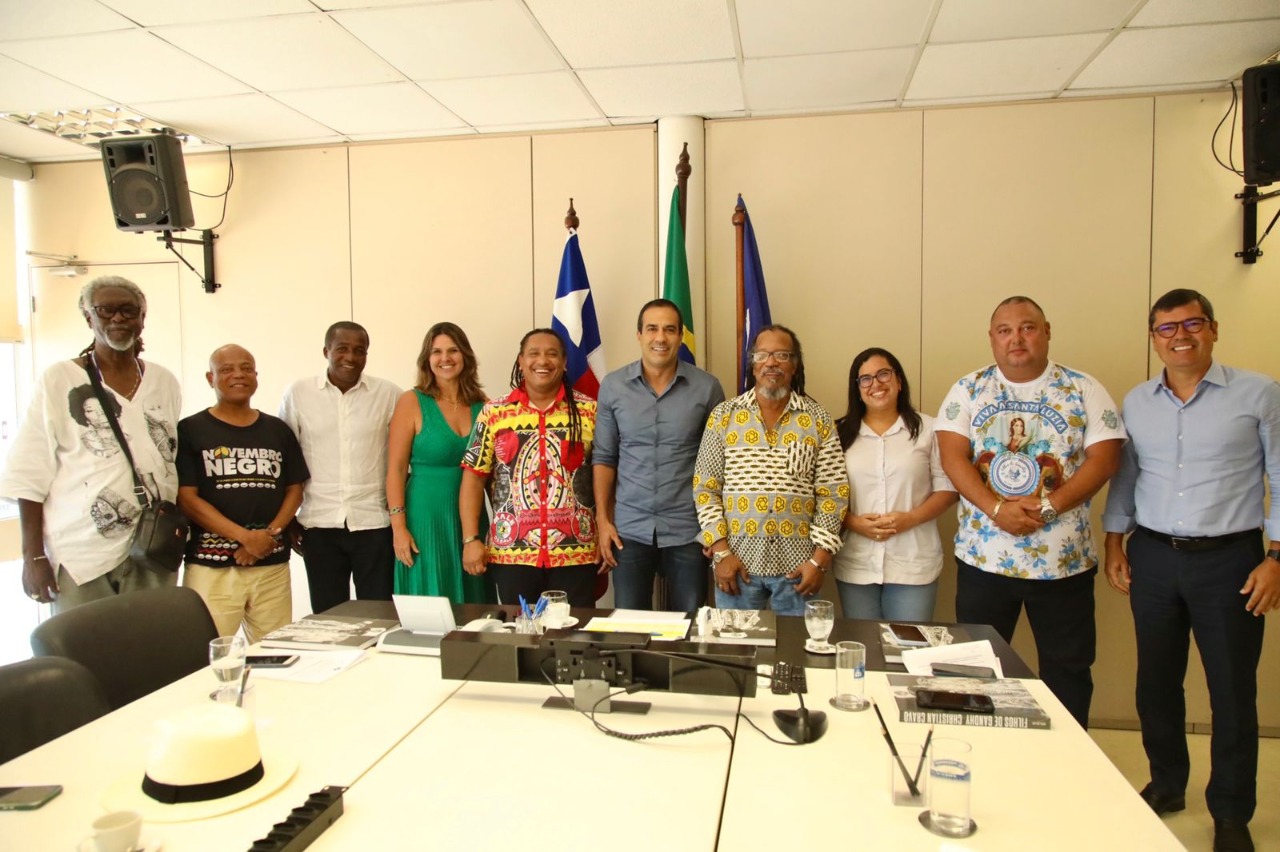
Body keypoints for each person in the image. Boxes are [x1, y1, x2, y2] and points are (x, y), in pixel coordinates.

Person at [1102, 289, 1280, 852]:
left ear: (1214, 329)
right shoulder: (1137, 401)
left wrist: (1276, 558)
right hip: (1153, 555)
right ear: (1154, 337)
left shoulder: (1259, 393)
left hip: (1231, 560)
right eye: (1166, 328)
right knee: (1155, 682)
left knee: (1230, 691)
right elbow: (1127, 477)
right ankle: (1167, 784)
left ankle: (1230, 812)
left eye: (1192, 323)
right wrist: (1114, 539)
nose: (1180, 335)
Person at [935, 296, 1125, 728]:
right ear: (992, 338)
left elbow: (1105, 458)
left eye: (1027, 327)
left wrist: (1050, 505)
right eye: (1004, 330)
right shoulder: (968, 388)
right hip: (985, 561)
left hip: (1063, 565)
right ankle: (984, 756)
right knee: (976, 670)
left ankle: (1067, 766)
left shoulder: (1083, 388)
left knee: (1068, 672)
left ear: (1046, 331)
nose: (1016, 338)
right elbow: (953, 457)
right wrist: (996, 508)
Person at [1, 276, 181, 612]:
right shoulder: (60, 380)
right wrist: (33, 555)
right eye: (106, 310)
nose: (118, 319)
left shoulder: (164, 382)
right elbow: (28, 473)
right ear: (89, 318)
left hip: (153, 549)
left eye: (128, 311)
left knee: (153, 652)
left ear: (143, 317)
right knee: (85, 655)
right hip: (82, 555)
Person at [692, 324, 847, 616]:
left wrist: (818, 562)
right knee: (737, 655)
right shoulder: (724, 416)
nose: (772, 362)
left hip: (798, 571)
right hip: (736, 568)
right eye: (762, 355)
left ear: (795, 365)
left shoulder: (818, 419)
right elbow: (705, 488)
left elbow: (833, 494)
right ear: (752, 365)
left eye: (782, 355)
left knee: (797, 655)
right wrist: (722, 553)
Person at [594, 299, 725, 613]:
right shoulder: (613, 387)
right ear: (638, 334)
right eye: (652, 328)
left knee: (691, 626)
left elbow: (722, 464)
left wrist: (717, 528)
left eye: (669, 330)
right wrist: (602, 520)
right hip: (629, 529)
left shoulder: (707, 388)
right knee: (630, 626)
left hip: (689, 529)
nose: (660, 338)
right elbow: (604, 456)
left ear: (681, 337)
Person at [178, 345, 309, 642]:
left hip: (271, 567)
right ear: (210, 378)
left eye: (246, 368)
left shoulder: (278, 430)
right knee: (208, 657)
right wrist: (246, 538)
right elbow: (187, 499)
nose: (238, 374)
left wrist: (269, 535)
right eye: (227, 369)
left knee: (274, 655)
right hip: (212, 570)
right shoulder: (190, 430)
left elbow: (295, 489)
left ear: (256, 376)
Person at [459, 328, 598, 607]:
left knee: (573, 638)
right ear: (521, 361)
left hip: (576, 552)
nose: (542, 361)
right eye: (534, 354)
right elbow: (473, 478)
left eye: (552, 354)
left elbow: (606, 477)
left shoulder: (591, 411)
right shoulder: (494, 413)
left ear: (565, 362)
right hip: (511, 554)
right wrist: (470, 539)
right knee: (520, 638)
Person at [279, 322, 399, 614]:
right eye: (342, 348)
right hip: (318, 524)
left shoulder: (389, 394)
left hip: (374, 524)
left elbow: (401, 459)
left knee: (379, 615)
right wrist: (287, 518)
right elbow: (283, 458)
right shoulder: (299, 392)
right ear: (326, 351)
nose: (351, 357)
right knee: (328, 617)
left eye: (360, 350)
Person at [832, 347, 957, 621]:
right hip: (857, 561)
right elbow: (822, 495)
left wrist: (910, 518)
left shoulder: (930, 430)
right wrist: (853, 522)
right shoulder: (837, 434)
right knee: (862, 651)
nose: (875, 384)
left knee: (907, 653)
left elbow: (948, 489)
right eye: (865, 378)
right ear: (857, 389)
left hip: (912, 562)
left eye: (883, 374)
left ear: (899, 381)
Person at [387, 322, 492, 603]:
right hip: (425, 517)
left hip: (471, 518)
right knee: (431, 596)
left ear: (465, 356)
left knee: (473, 600)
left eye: (452, 350)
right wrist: (398, 528)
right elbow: (396, 469)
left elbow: (496, 474)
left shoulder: (484, 405)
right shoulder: (412, 401)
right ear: (427, 359)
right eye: (437, 351)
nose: (445, 358)